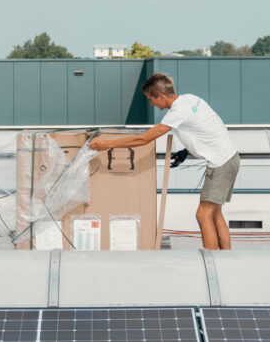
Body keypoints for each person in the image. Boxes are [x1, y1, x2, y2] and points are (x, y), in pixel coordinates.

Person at [89, 72, 240, 250]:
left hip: (220, 164)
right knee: (215, 214)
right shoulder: (190, 99)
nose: (152, 104)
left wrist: (106, 144)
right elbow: (207, 130)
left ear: (160, 96)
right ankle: (225, 260)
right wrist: (186, 152)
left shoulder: (176, 112)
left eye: (151, 99)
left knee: (203, 215)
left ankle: (212, 262)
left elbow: (144, 139)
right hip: (230, 158)